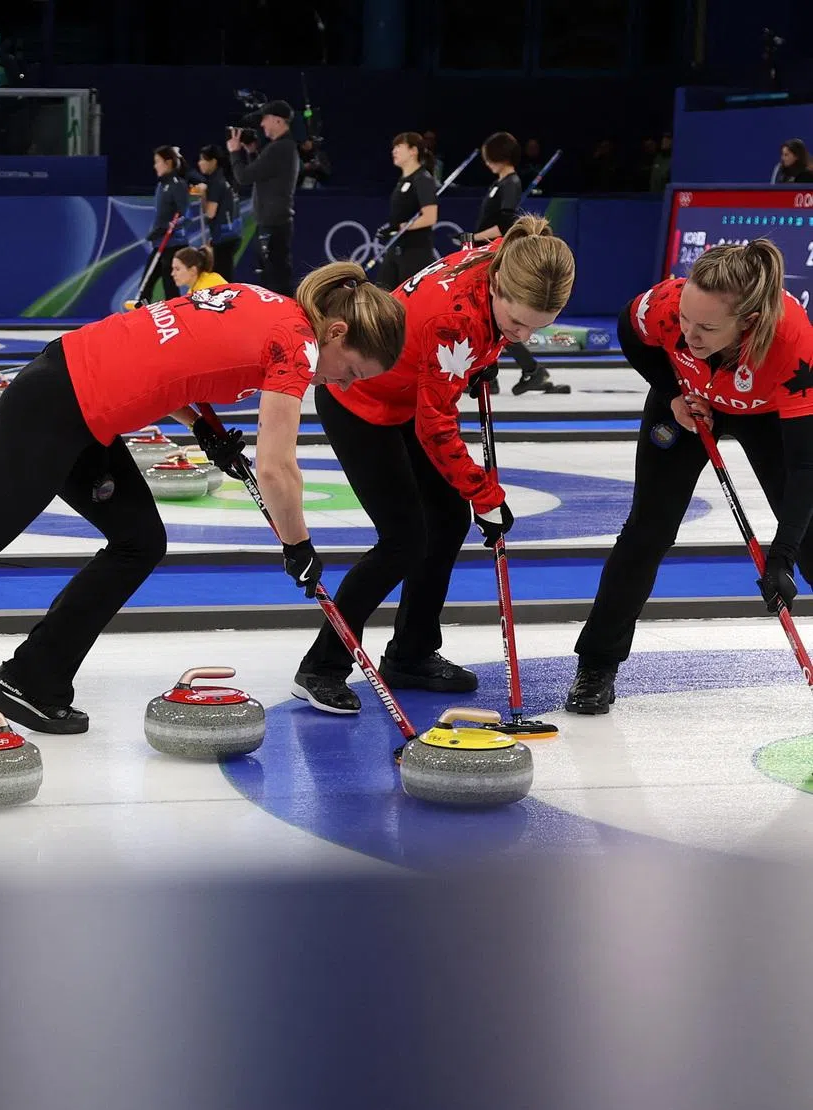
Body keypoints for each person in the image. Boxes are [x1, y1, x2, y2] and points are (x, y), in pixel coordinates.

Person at [0, 264, 407, 762]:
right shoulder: (294, 347)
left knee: (139, 540)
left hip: (79, 405)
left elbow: (176, 359)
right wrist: (298, 546)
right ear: (337, 333)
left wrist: (205, 426)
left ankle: (33, 680)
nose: (344, 387)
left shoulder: (262, 300)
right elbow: (277, 468)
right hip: (54, 411)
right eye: (350, 373)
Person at [292, 217, 576, 713]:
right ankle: (321, 666)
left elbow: (483, 284)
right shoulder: (457, 321)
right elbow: (436, 428)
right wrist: (485, 494)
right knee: (403, 541)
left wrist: (491, 347)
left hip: (405, 395)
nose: (523, 335)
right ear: (499, 288)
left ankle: (411, 652)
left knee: (445, 520)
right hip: (357, 394)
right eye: (516, 324)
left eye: (537, 327)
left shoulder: (504, 257)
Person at [566, 240, 813, 714]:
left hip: (765, 413)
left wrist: (782, 556)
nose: (689, 335)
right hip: (687, 402)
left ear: (748, 322)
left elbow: (806, 466)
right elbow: (629, 328)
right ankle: (597, 663)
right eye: (684, 321)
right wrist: (671, 390)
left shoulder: (792, 343)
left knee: (811, 542)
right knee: (647, 531)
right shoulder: (666, 305)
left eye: (707, 327)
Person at [469, 131, 551, 396]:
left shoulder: (510, 182)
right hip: (485, 251)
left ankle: (531, 369)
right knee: (488, 316)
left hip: (493, 253)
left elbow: (506, 224)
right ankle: (493, 375)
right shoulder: (500, 182)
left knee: (495, 316)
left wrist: (474, 237)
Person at [227, 98, 300, 297]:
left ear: (278, 121)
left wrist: (234, 153)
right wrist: (251, 153)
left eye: (265, 119)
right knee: (271, 277)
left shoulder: (280, 148)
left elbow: (244, 177)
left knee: (275, 281)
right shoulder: (282, 148)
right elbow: (261, 174)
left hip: (273, 224)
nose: (261, 124)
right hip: (273, 222)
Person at [374, 132, 439, 292]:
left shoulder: (423, 179)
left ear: (413, 151)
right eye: (393, 147)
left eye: (399, 146)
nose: (394, 151)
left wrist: (403, 227)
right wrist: (392, 228)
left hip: (415, 252)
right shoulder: (403, 181)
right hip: (396, 248)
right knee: (382, 296)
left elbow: (430, 217)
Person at [131, 145, 191, 306]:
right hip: (160, 244)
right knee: (146, 282)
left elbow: (186, 215)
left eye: (158, 161)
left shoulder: (178, 184)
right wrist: (156, 231)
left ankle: (178, 320)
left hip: (174, 245)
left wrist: (172, 225)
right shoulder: (161, 185)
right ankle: (142, 315)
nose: (155, 165)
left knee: (169, 285)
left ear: (168, 162)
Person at [192, 144, 241, 280]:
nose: (199, 163)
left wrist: (202, 194)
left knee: (222, 279)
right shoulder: (224, 178)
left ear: (213, 161)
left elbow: (210, 213)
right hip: (232, 234)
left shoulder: (216, 182)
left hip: (224, 238)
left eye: (202, 160)